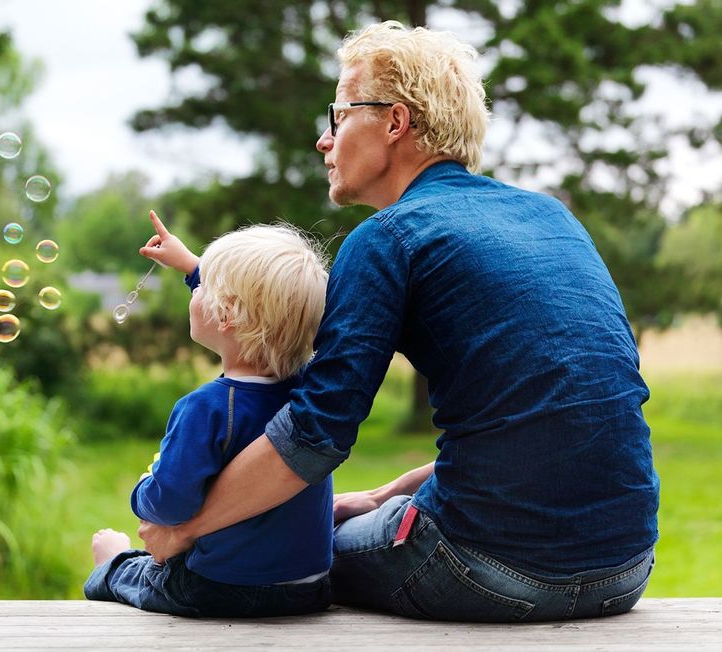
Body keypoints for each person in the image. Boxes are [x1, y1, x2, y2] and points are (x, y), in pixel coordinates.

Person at [136, 21, 659, 623]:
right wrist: (387, 498)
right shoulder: (551, 217)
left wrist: (188, 528)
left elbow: (314, 433)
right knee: (356, 523)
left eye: (336, 116)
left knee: (286, 557)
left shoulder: (388, 239)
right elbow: (560, 413)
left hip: (483, 569)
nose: (323, 142)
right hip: (626, 567)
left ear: (394, 122)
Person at [84, 215, 332, 618]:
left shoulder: (206, 408)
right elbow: (254, 304)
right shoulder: (309, 392)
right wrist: (191, 266)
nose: (196, 290)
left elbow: (169, 507)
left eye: (202, 286)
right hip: (309, 586)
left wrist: (143, 487)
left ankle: (109, 566)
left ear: (227, 314)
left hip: (222, 588)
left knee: (139, 572)